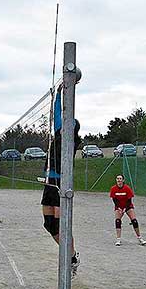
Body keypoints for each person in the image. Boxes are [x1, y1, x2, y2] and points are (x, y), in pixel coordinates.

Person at [41, 83, 82, 277]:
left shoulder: (68, 136)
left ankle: (69, 258)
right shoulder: (59, 132)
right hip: (49, 182)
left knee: (61, 225)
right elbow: (56, 112)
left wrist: (60, 94)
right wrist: (57, 92)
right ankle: (71, 255)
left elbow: (60, 112)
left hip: (60, 183)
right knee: (49, 225)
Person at [110, 174, 146, 246]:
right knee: (117, 221)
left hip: (128, 206)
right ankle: (118, 239)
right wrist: (119, 208)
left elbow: (129, 200)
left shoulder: (127, 188)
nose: (119, 180)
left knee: (134, 221)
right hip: (119, 207)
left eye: (120, 179)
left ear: (123, 180)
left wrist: (125, 209)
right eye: (117, 179)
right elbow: (114, 200)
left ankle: (140, 238)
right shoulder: (113, 189)